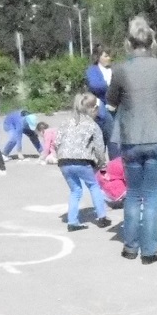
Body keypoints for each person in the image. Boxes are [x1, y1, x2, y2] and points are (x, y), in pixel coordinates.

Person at [106, 16, 157, 265]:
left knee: (133, 193)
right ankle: (149, 251)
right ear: (152, 42)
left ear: (129, 42)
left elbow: (112, 101)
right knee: (151, 195)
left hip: (130, 138)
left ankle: (129, 247)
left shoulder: (120, 69)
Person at [54, 93, 112, 233]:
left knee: (75, 190)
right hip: (83, 161)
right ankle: (102, 217)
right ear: (93, 109)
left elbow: (56, 143)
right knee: (93, 186)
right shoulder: (92, 125)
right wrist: (102, 163)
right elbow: (99, 147)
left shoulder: (65, 122)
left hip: (64, 161)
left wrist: (61, 155)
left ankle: (72, 221)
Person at [86, 45, 117, 159]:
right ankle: (99, 167)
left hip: (115, 108)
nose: (109, 58)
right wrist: (111, 86)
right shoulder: (92, 70)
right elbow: (94, 85)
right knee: (100, 141)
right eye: (106, 55)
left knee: (114, 141)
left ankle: (115, 167)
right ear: (99, 57)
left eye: (109, 55)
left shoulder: (115, 69)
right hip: (100, 108)